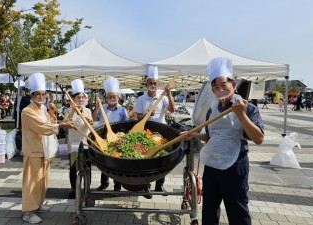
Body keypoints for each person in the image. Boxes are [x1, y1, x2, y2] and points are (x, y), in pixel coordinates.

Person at [180, 57, 264, 225]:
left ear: (233, 85)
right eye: (215, 87)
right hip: (212, 166)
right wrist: (193, 135)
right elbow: (212, 137)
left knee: (237, 210)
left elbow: (259, 138)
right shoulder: (213, 110)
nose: (220, 89)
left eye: (223, 85)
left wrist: (240, 114)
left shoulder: (247, 107)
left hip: (235, 166)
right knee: (209, 209)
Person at [21, 72, 74, 224]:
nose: (41, 96)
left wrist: (51, 111)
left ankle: (37, 205)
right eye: (37, 94)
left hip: (44, 149)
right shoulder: (27, 111)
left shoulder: (42, 108)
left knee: (43, 180)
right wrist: (63, 125)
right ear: (32, 95)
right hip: (34, 150)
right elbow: (42, 127)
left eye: (43, 94)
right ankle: (28, 211)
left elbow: (51, 121)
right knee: (32, 181)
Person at [134, 65, 175, 194]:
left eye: (155, 83)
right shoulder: (141, 99)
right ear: (146, 85)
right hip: (145, 132)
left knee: (161, 158)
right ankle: (145, 186)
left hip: (161, 132)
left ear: (158, 84)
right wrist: (146, 115)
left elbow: (172, 110)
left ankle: (159, 185)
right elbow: (137, 116)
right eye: (150, 83)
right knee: (146, 158)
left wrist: (169, 93)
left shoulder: (163, 97)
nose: (152, 85)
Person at [92, 77, 128, 192]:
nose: (112, 98)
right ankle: (104, 184)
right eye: (110, 96)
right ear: (106, 98)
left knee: (116, 163)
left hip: (117, 139)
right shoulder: (102, 108)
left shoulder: (122, 110)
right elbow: (93, 119)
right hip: (103, 138)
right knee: (104, 162)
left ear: (118, 97)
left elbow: (126, 125)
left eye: (114, 96)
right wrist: (97, 106)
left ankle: (117, 186)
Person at [66, 79, 93, 199]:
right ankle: (74, 189)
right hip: (73, 144)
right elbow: (66, 122)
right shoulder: (68, 110)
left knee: (87, 166)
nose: (81, 100)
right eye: (78, 98)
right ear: (73, 99)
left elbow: (90, 124)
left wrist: (89, 120)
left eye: (82, 97)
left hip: (85, 143)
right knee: (73, 166)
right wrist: (73, 110)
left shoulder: (87, 110)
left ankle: (87, 188)